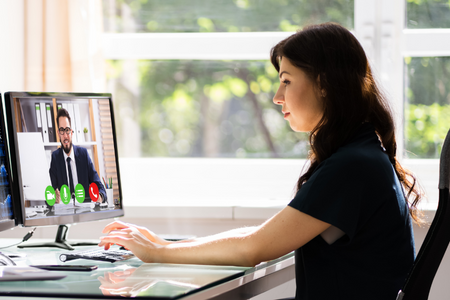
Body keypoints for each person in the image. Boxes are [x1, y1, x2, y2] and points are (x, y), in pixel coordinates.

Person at [99, 22, 422, 300]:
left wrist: (159, 253)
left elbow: (254, 247)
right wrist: (167, 244)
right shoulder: (361, 153)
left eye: (286, 80)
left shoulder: (352, 166)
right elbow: (266, 235)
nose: (277, 96)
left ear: (323, 84)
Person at [49, 108, 106, 205]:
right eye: (62, 131)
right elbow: (50, 193)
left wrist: (100, 197)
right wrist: (53, 198)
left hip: (84, 212)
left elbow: (99, 186)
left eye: (67, 130)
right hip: (65, 214)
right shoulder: (55, 157)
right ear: (58, 134)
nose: (65, 135)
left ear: (71, 132)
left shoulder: (83, 154)